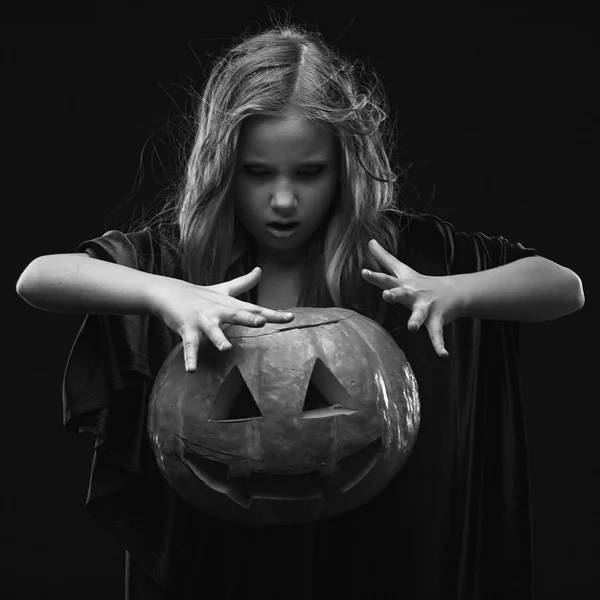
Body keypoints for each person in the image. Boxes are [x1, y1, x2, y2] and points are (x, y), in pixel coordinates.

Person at [16, 22, 584, 600]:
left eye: (308, 173)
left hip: (380, 559)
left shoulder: (393, 253)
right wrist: (163, 293)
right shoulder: (178, 258)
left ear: (345, 167)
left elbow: (563, 287)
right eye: (258, 173)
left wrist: (455, 291)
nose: (283, 200)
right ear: (223, 168)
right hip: (218, 562)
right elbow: (38, 278)